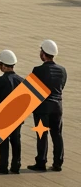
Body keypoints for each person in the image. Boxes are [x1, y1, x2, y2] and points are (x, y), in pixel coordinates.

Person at [26, 39, 65, 174]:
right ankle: (58, 163)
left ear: (43, 53)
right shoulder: (62, 70)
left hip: (42, 108)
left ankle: (41, 162)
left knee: (42, 135)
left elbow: (32, 89)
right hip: (57, 107)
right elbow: (61, 86)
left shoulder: (38, 70)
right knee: (57, 135)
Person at [0, 50, 24, 175]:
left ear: (3, 65)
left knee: (4, 142)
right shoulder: (21, 80)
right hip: (17, 117)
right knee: (16, 141)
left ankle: (3, 165)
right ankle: (16, 165)